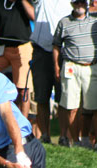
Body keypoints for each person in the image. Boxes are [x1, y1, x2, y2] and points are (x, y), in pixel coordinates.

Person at [53, 0, 97, 148]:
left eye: (82, 2)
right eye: (77, 2)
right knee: (71, 107)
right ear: (72, 4)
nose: (80, 5)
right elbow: (56, 45)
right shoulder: (64, 22)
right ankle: (76, 142)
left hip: (93, 66)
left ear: (87, 4)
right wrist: (56, 66)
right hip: (71, 66)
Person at [29, 0, 73, 144]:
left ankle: (63, 136)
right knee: (41, 97)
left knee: (63, 98)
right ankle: (44, 136)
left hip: (63, 52)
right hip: (41, 51)